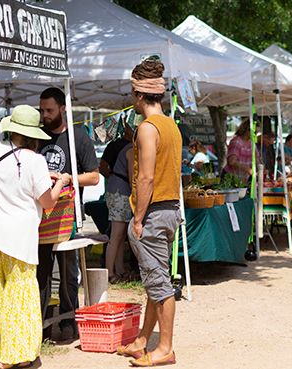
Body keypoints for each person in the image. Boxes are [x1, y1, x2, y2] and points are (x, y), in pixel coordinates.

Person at [0, 105, 70, 369]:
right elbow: (47, 201)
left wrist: (40, 178)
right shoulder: (37, 161)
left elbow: (11, 175)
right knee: (20, 293)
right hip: (17, 238)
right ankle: (15, 357)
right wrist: (60, 181)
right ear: (34, 134)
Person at [115, 59, 182, 367]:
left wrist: (138, 218)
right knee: (157, 279)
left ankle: (164, 347)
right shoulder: (171, 126)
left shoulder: (147, 128)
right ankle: (143, 340)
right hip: (170, 210)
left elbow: (146, 178)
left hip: (153, 213)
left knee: (160, 284)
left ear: (138, 95)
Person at [37, 87, 100, 341]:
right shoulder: (37, 136)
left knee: (67, 273)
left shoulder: (78, 137)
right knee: (39, 272)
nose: (45, 115)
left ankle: (68, 321)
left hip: (68, 217)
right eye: (42, 110)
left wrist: (66, 179)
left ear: (63, 108)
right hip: (40, 216)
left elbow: (95, 176)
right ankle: (39, 325)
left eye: (49, 110)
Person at [105, 132, 134, 283]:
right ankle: (109, 272)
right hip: (120, 192)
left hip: (118, 191)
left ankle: (120, 269)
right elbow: (132, 177)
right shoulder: (132, 150)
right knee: (116, 234)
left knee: (120, 235)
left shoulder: (130, 148)